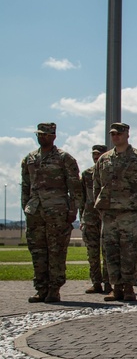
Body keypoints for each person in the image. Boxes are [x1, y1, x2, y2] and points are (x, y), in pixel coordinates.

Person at [93, 122, 137, 302]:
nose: (116, 137)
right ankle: (116, 287)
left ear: (127, 134)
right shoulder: (104, 159)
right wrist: (99, 207)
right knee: (110, 252)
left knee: (129, 252)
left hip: (131, 212)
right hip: (109, 213)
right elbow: (96, 184)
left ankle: (129, 286)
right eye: (113, 134)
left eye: (119, 134)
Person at [20, 122, 82, 303]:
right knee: (37, 251)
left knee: (56, 251)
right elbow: (25, 186)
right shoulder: (29, 159)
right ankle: (41, 289)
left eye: (46, 135)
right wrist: (26, 207)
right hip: (35, 211)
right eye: (39, 134)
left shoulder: (64, 159)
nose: (42, 137)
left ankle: (54, 289)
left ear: (54, 136)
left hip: (57, 211)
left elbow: (75, 188)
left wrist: (73, 210)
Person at [79, 144, 110, 294]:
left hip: (105, 217)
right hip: (90, 218)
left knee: (108, 252)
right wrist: (81, 218)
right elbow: (82, 199)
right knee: (92, 253)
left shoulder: (110, 172)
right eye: (94, 154)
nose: (96, 157)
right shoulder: (86, 174)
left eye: (99, 154)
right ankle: (96, 282)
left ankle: (109, 282)